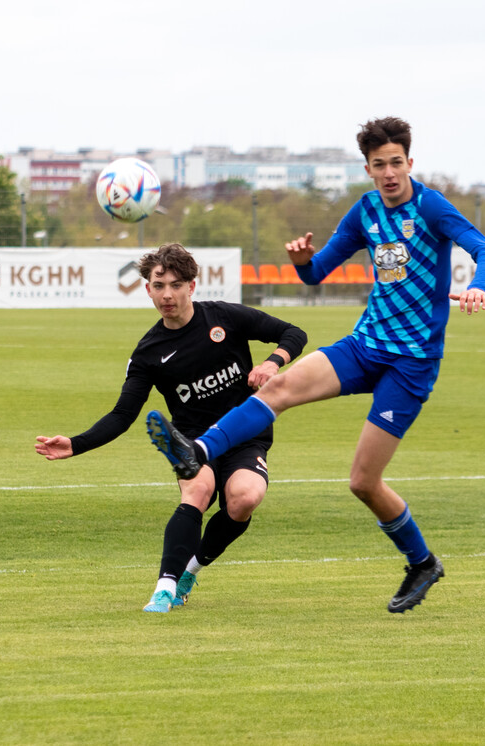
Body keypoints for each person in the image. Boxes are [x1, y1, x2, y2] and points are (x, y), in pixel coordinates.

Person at [146, 116, 485, 614]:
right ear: (369, 169)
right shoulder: (366, 211)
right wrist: (301, 258)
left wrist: (481, 284)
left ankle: (422, 562)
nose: (390, 173)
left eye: (397, 162)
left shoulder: (431, 207)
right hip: (365, 344)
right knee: (276, 389)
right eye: (380, 165)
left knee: (362, 482)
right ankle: (197, 451)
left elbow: (483, 248)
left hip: (411, 364)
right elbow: (316, 273)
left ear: (410, 163)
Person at [35, 243, 307, 613]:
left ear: (192, 287)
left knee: (245, 499)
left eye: (176, 285)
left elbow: (293, 333)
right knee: (199, 489)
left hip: (245, 434)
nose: (167, 294)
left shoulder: (224, 317)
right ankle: (163, 589)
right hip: (193, 442)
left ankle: (189, 573)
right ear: (147, 289)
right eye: (158, 285)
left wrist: (275, 361)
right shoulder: (149, 353)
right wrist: (76, 444)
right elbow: (122, 414)